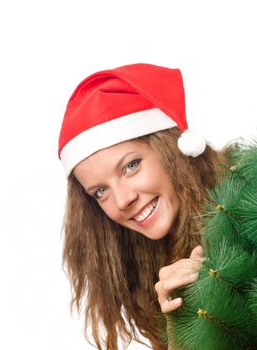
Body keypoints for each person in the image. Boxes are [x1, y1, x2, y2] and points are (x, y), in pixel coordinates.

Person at [58, 63, 228, 350]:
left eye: (131, 166)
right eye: (101, 191)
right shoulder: (149, 263)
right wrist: (183, 330)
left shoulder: (255, 214)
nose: (123, 200)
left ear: (171, 148)